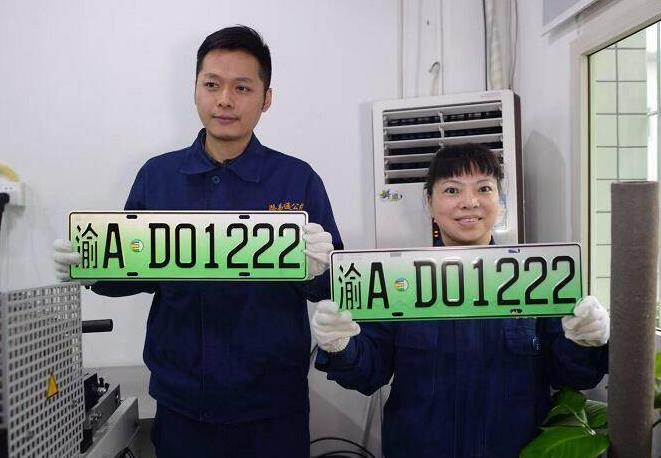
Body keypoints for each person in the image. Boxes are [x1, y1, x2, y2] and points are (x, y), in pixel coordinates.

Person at [53, 26, 341, 458]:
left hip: (273, 407)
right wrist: (90, 267)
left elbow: (334, 285)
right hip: (182, 404)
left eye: (242, 87)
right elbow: (136, 271)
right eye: (212, 85)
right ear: (195, 90)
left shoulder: (297, 179)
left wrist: (319, 269)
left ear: (266, 99)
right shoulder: (157, 176)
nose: (225, 99)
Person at [312, 143, 609, 458]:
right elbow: (368, 374)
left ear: (500, 200)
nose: (469, 202)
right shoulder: (398, 279)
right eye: (452, 190)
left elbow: (570, 377)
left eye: (484, 188)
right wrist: (342, 345)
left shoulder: (535, 277)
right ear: (429, 202)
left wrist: (583, 342)